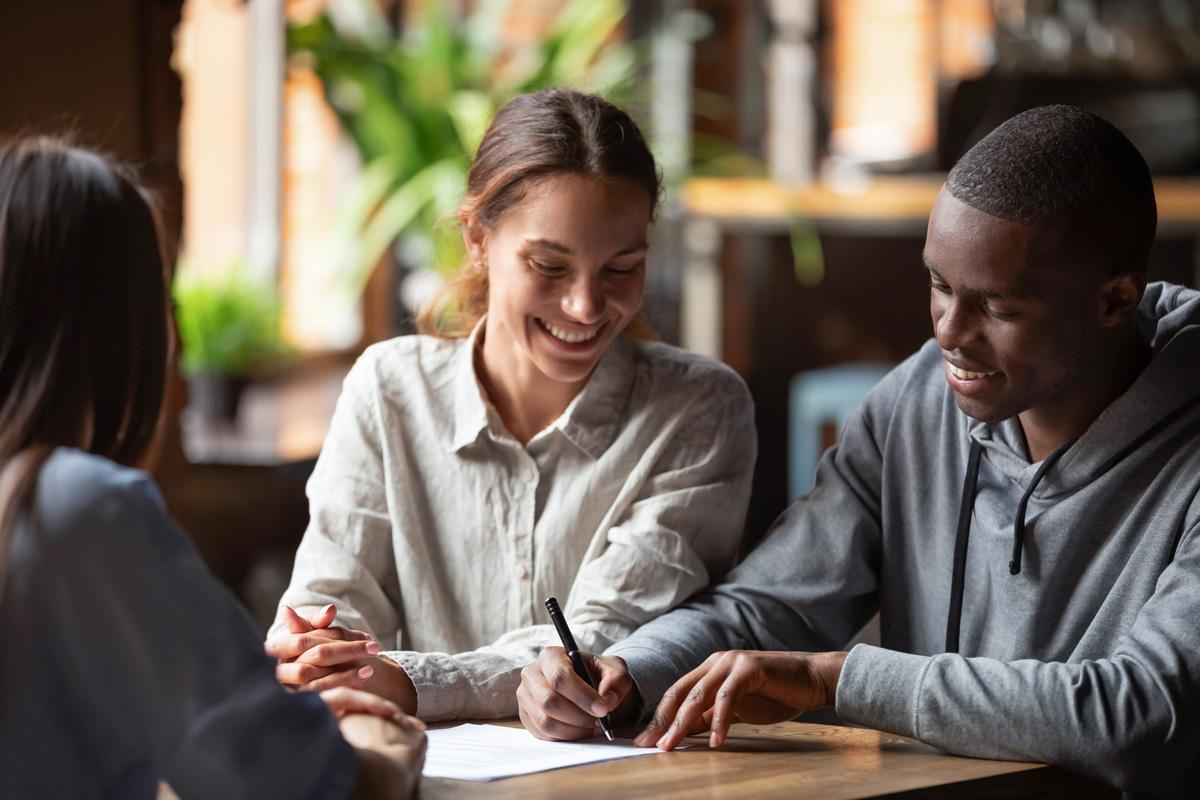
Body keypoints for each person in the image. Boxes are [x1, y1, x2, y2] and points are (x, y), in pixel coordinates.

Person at [518, 105, 1200, 795]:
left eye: (998, 307)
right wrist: (628, 672)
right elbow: (767, 606)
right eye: (938, 285)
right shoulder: (915, 401)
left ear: (1115, 301)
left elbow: (1141, 715)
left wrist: (836, 678)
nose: (949, 334)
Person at [267, 88, 756, 722]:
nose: (584, 306)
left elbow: (598, 643)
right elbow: (332, 601)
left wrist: (407, 683)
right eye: (549, 266)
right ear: (476, 238)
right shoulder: (387, 389)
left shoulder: (701, 410)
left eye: (620, 269)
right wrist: (314, 653)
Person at [0, 136, 425, 798]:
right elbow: (283, 783)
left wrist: (289, 723)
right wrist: (380, 752)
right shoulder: (77, 506)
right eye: (161, 300)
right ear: (121, 325)